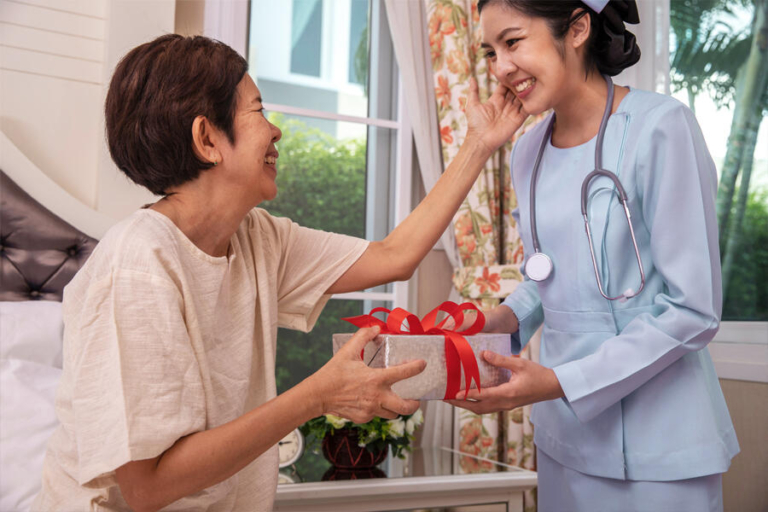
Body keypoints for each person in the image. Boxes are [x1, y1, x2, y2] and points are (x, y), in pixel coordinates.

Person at [31, 34, 526, 511]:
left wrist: (480, 143)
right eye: (258, 110)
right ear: (207, 139)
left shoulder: (256, 238)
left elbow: (395, 255)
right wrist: (318, 394)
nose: (275, 129)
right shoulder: (139, 263)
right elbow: (147, 487)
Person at [447, 1, 739, 511]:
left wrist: (561, 380)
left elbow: (693, 309)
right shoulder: (527, 150)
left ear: (578, 28)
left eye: (513, 42)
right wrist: (499, 321)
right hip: (565, 440)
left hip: (661, 445)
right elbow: (550, 274)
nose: (500, 68)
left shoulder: (661, 127)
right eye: (490, 52)